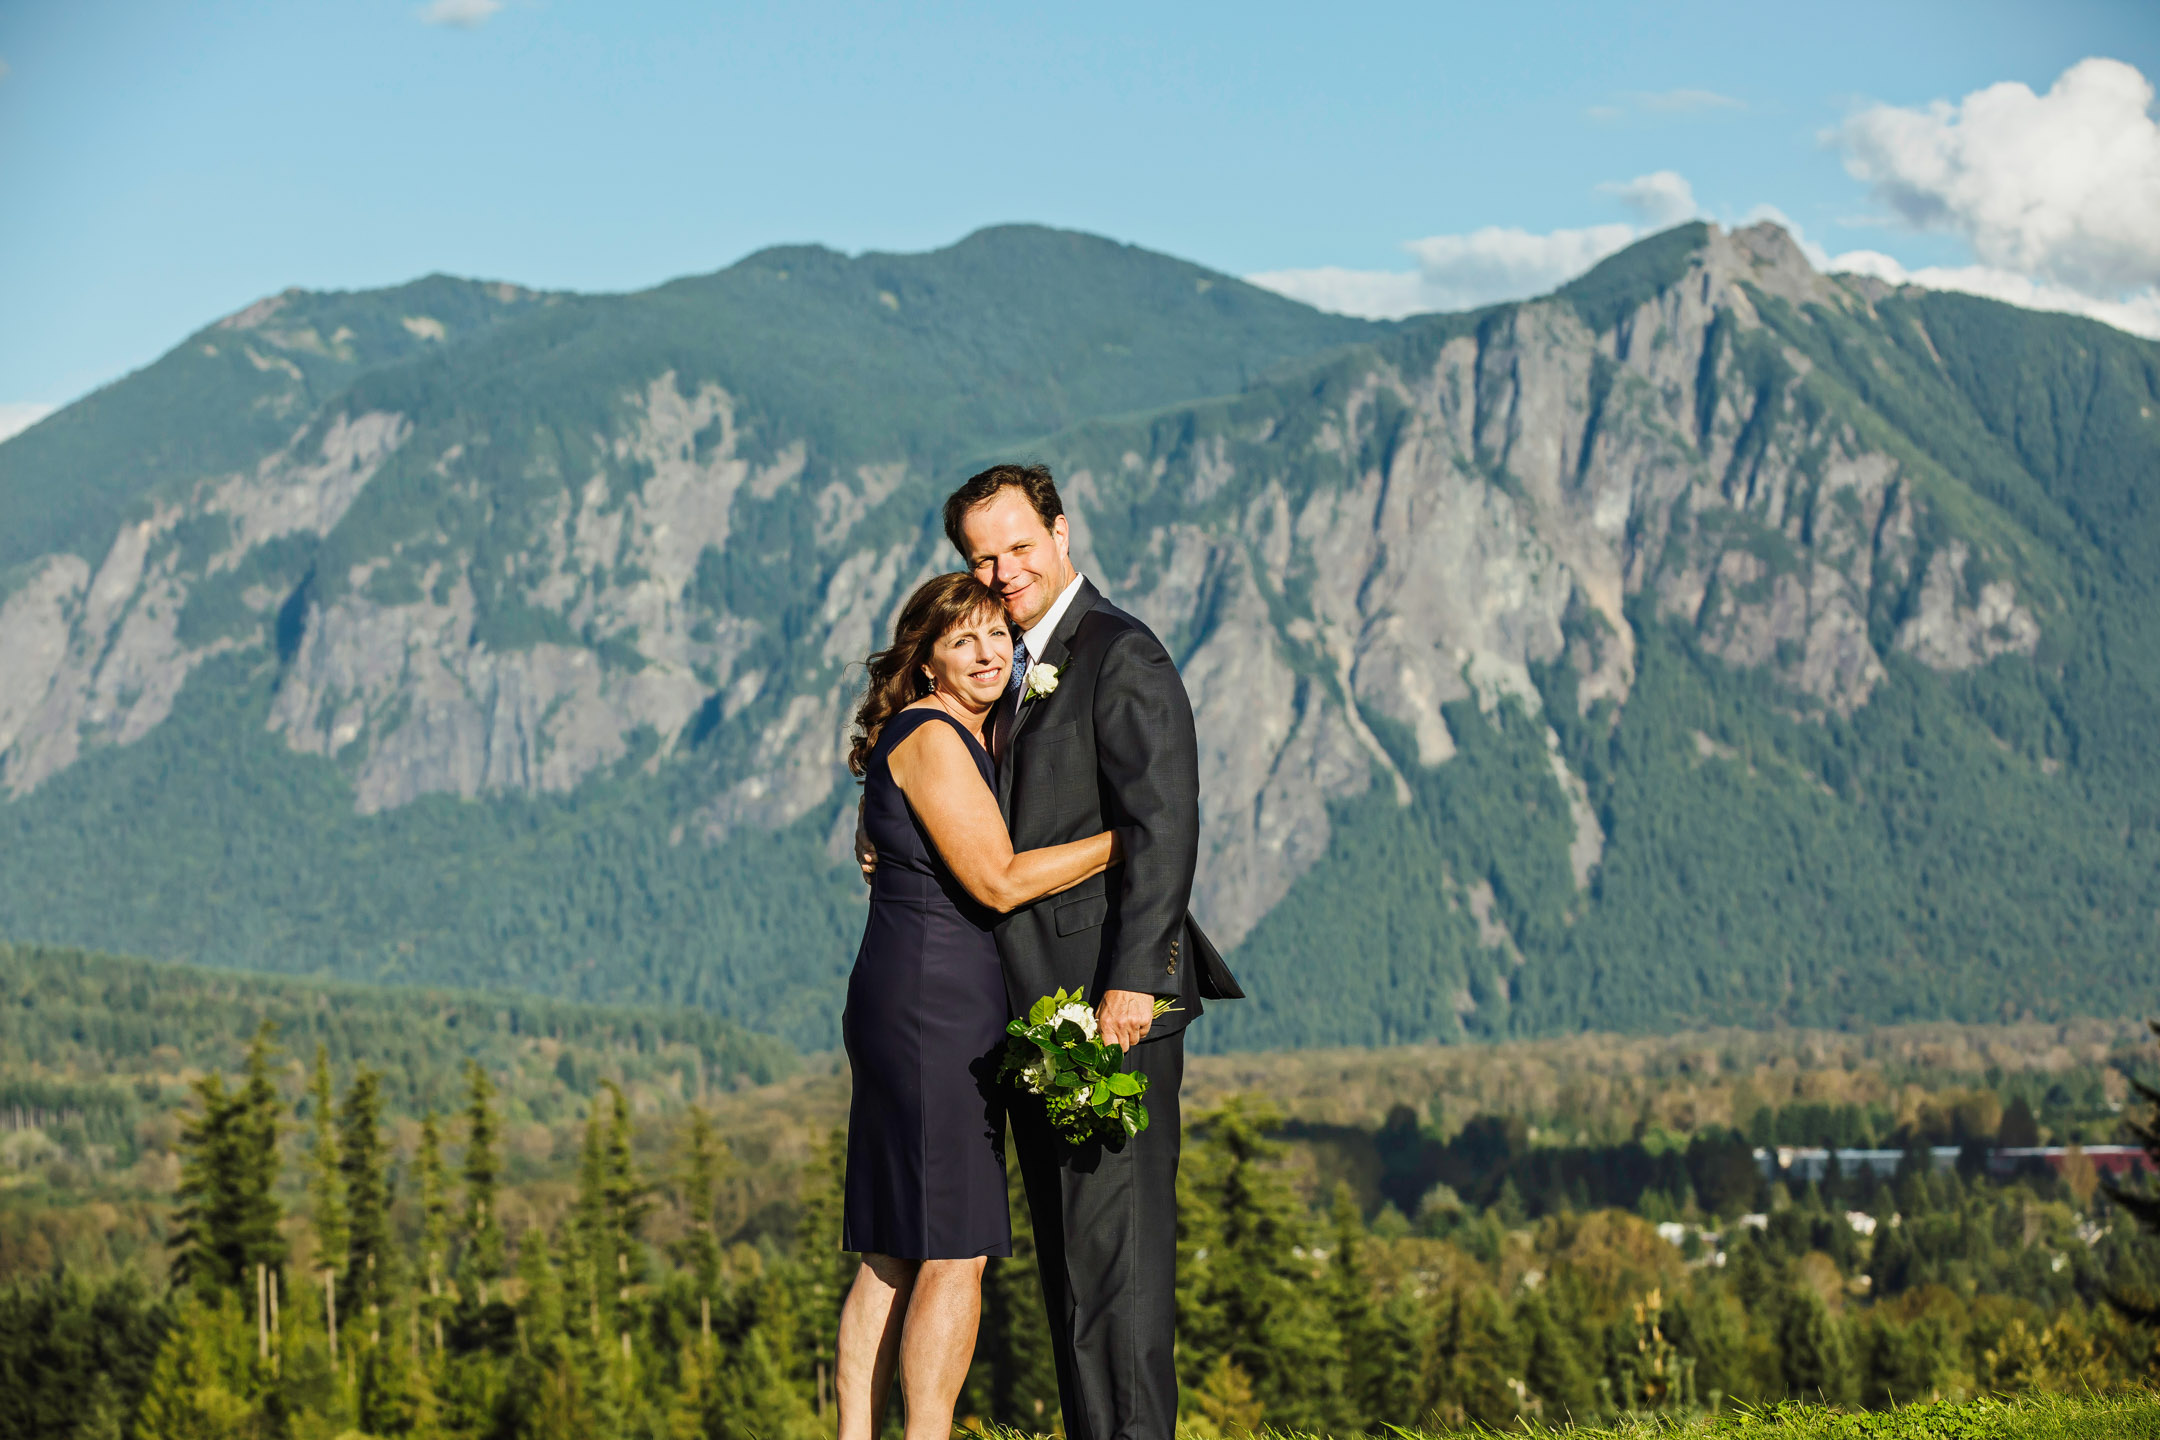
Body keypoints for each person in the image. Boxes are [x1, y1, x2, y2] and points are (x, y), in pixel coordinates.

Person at [943, 462, 1242, 1440]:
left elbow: (1163, 827)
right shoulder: (1012, 663)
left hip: (1110, 1010)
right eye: (983, 558)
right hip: (1035, 1013)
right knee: (1074, 1273)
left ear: (1062, 533)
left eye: (1019, 546)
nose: (1003, 571)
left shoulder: (1121, 655)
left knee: (1120, 1277)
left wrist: (1130, 988)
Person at [834, 571, 1125, 1440]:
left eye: (998, 635)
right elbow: (998, 882)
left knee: (895, 1242)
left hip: (911, 992)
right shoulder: (932, 736)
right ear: (926, 662)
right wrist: (1127, 838)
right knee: (954, 1247)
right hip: (935, 1004)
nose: (989, 652)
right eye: (963, 641)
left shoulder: (945, 732)